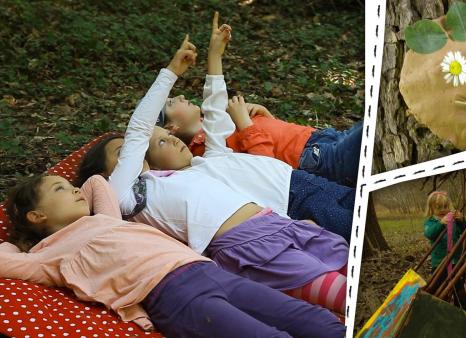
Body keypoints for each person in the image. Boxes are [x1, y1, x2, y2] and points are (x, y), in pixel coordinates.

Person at [77, 13, 349, 314]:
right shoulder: (132, 193)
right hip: (280, 216)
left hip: (291, 202)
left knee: (356, 250)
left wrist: (214, 57)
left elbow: (215, 114)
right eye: (158, 143)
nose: (171, 139)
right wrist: (170, 73)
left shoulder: (204, 165)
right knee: (344, 279)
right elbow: (139, 131)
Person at [1, 174, 345, 338]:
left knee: (311, 319)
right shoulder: (50, 255)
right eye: (60, 189)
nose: (75, 189)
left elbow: (96, 182)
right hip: (173, 296)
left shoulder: (103, 218)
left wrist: (70, 191)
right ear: (36, 216)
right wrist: (17, 242)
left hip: (209, 271)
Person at [159, 94, 362, 187]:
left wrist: (265, 117)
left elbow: (272, 141)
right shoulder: (205, 151)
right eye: (170, 102)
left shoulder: (216, 123)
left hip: (320, 138)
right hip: (316, 159)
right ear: (170, 127)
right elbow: (263, 170)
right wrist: (246, 124)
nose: (180, 96)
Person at [423, 191, 466, 311]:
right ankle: (440, 309)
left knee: (459, 287)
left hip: (456, 261)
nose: (443, 209)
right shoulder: (431, 222)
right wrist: (441, 224)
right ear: (431, 209)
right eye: (439, 207)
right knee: (438, 287)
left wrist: (461, 220)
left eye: (446, 206)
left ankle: (463, 310)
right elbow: (430, 233)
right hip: (440, 263)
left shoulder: (454, 221)